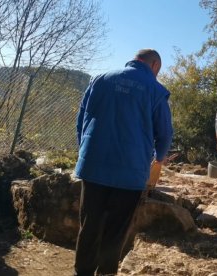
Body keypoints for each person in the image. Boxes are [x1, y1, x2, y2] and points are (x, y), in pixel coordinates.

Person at [74, 49, 173, 276]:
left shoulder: (100, 79)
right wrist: (159, 158)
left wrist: (85, 151)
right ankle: (106, 273)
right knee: (116, 230)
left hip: (93, 166)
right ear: (155, 65)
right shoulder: (155, 90)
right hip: (131, 173)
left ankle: (81, 272)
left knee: (89, 225)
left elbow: (81, 120)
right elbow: (165, 133)